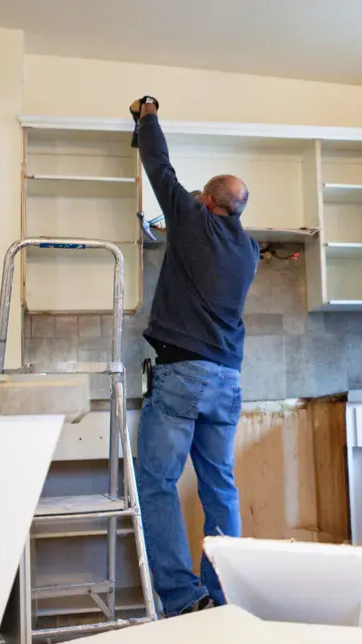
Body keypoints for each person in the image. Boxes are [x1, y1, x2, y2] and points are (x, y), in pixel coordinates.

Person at [131, 96, 259, 616]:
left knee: (156, 482)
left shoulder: (189, 219)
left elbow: (159, 166)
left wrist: (147, 116)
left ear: (206, 200)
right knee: (220, 488)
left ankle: (185, 599)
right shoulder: (249, 249)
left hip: (182, 374)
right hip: (227, 380)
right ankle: (223, 595)